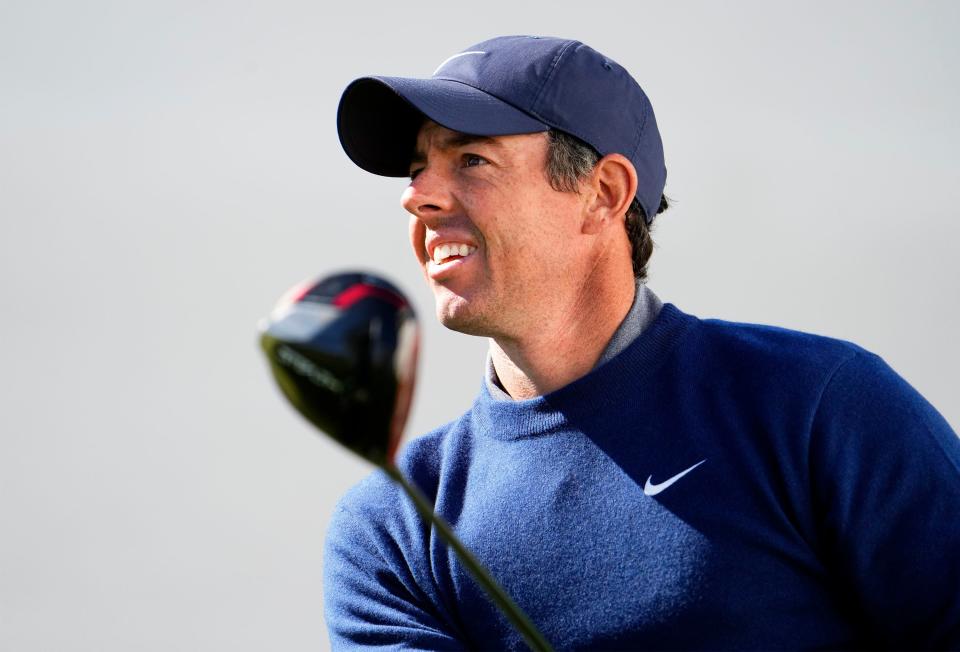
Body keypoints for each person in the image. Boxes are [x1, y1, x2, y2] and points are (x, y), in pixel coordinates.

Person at [325, 35, 960, 649]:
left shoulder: (820, 406)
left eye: (471, 160)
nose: (417, 198)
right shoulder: (394, 529)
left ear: (603, 194)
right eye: (416, 169)